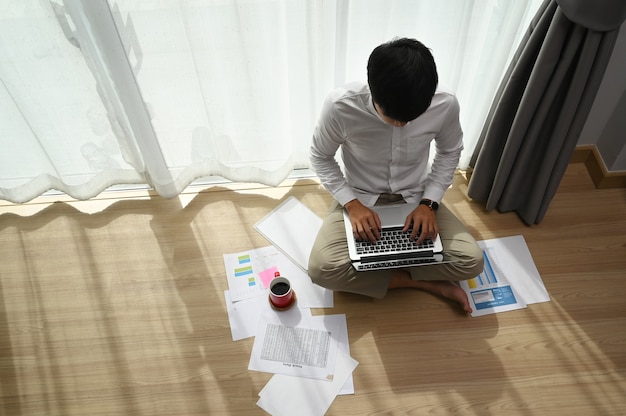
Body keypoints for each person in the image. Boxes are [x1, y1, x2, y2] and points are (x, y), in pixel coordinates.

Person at [308, 38, 484, 314]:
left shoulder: (445, 103)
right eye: (394, 119)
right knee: (322, 270)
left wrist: (429, 204)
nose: (403, 124)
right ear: (373, 93)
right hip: (360, 197)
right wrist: (352, 206)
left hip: (417, 196)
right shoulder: (341, 106)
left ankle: (382, 264)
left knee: (471, 262)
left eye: (413, 118)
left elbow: (450, 151)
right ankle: (427, 283)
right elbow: (320, 156)